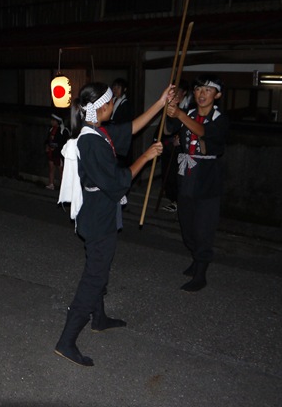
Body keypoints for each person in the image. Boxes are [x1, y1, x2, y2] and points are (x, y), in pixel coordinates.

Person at [54, 81, 174, 367]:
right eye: (110, 103)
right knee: (94, 276)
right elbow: (118, 181)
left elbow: (130, 128)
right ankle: (66, 341)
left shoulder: (98, 131)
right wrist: (146, 156)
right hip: (98, 218)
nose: (113, 106)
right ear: (100, 108)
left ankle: (99, 318)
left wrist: (160, 103)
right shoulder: (91, 142)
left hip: (99, 213)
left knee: (99, 266)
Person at [164, 74, 230, 292]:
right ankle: (196, 258)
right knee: (187, 226)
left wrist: (180, 114)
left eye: (208, 90)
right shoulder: (189, 113)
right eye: (199, 89)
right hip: (186, 175)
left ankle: (201, 272)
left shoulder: (219, 118)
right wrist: (171, 108)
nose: (202, 94)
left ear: (217, 95)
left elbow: (203, 132)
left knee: (203, 227)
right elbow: (169, 129)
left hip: (207, 178)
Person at [159, 79, 190, 213]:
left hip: (183, 149)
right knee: (168, 173)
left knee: (178, 175)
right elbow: (167, 130)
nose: (176, 95)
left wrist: (181, 138)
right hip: (170, 146)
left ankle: (178, 201)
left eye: (178, 92)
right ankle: (173, 199)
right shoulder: (172, 107)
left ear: (185, 93)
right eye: (173, 92)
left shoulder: (189, 107)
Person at [44, 113, 70, 190]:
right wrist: (47, 146)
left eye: (53, 120)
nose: (51, 122)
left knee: (60, 169)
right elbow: (47, 140)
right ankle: (51, 184)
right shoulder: (51, 129)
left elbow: (65, 142)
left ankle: (63, 186)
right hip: (51, 152)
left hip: (59, 153)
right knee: (51, 168)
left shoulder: (63, 130)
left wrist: (56, 146)